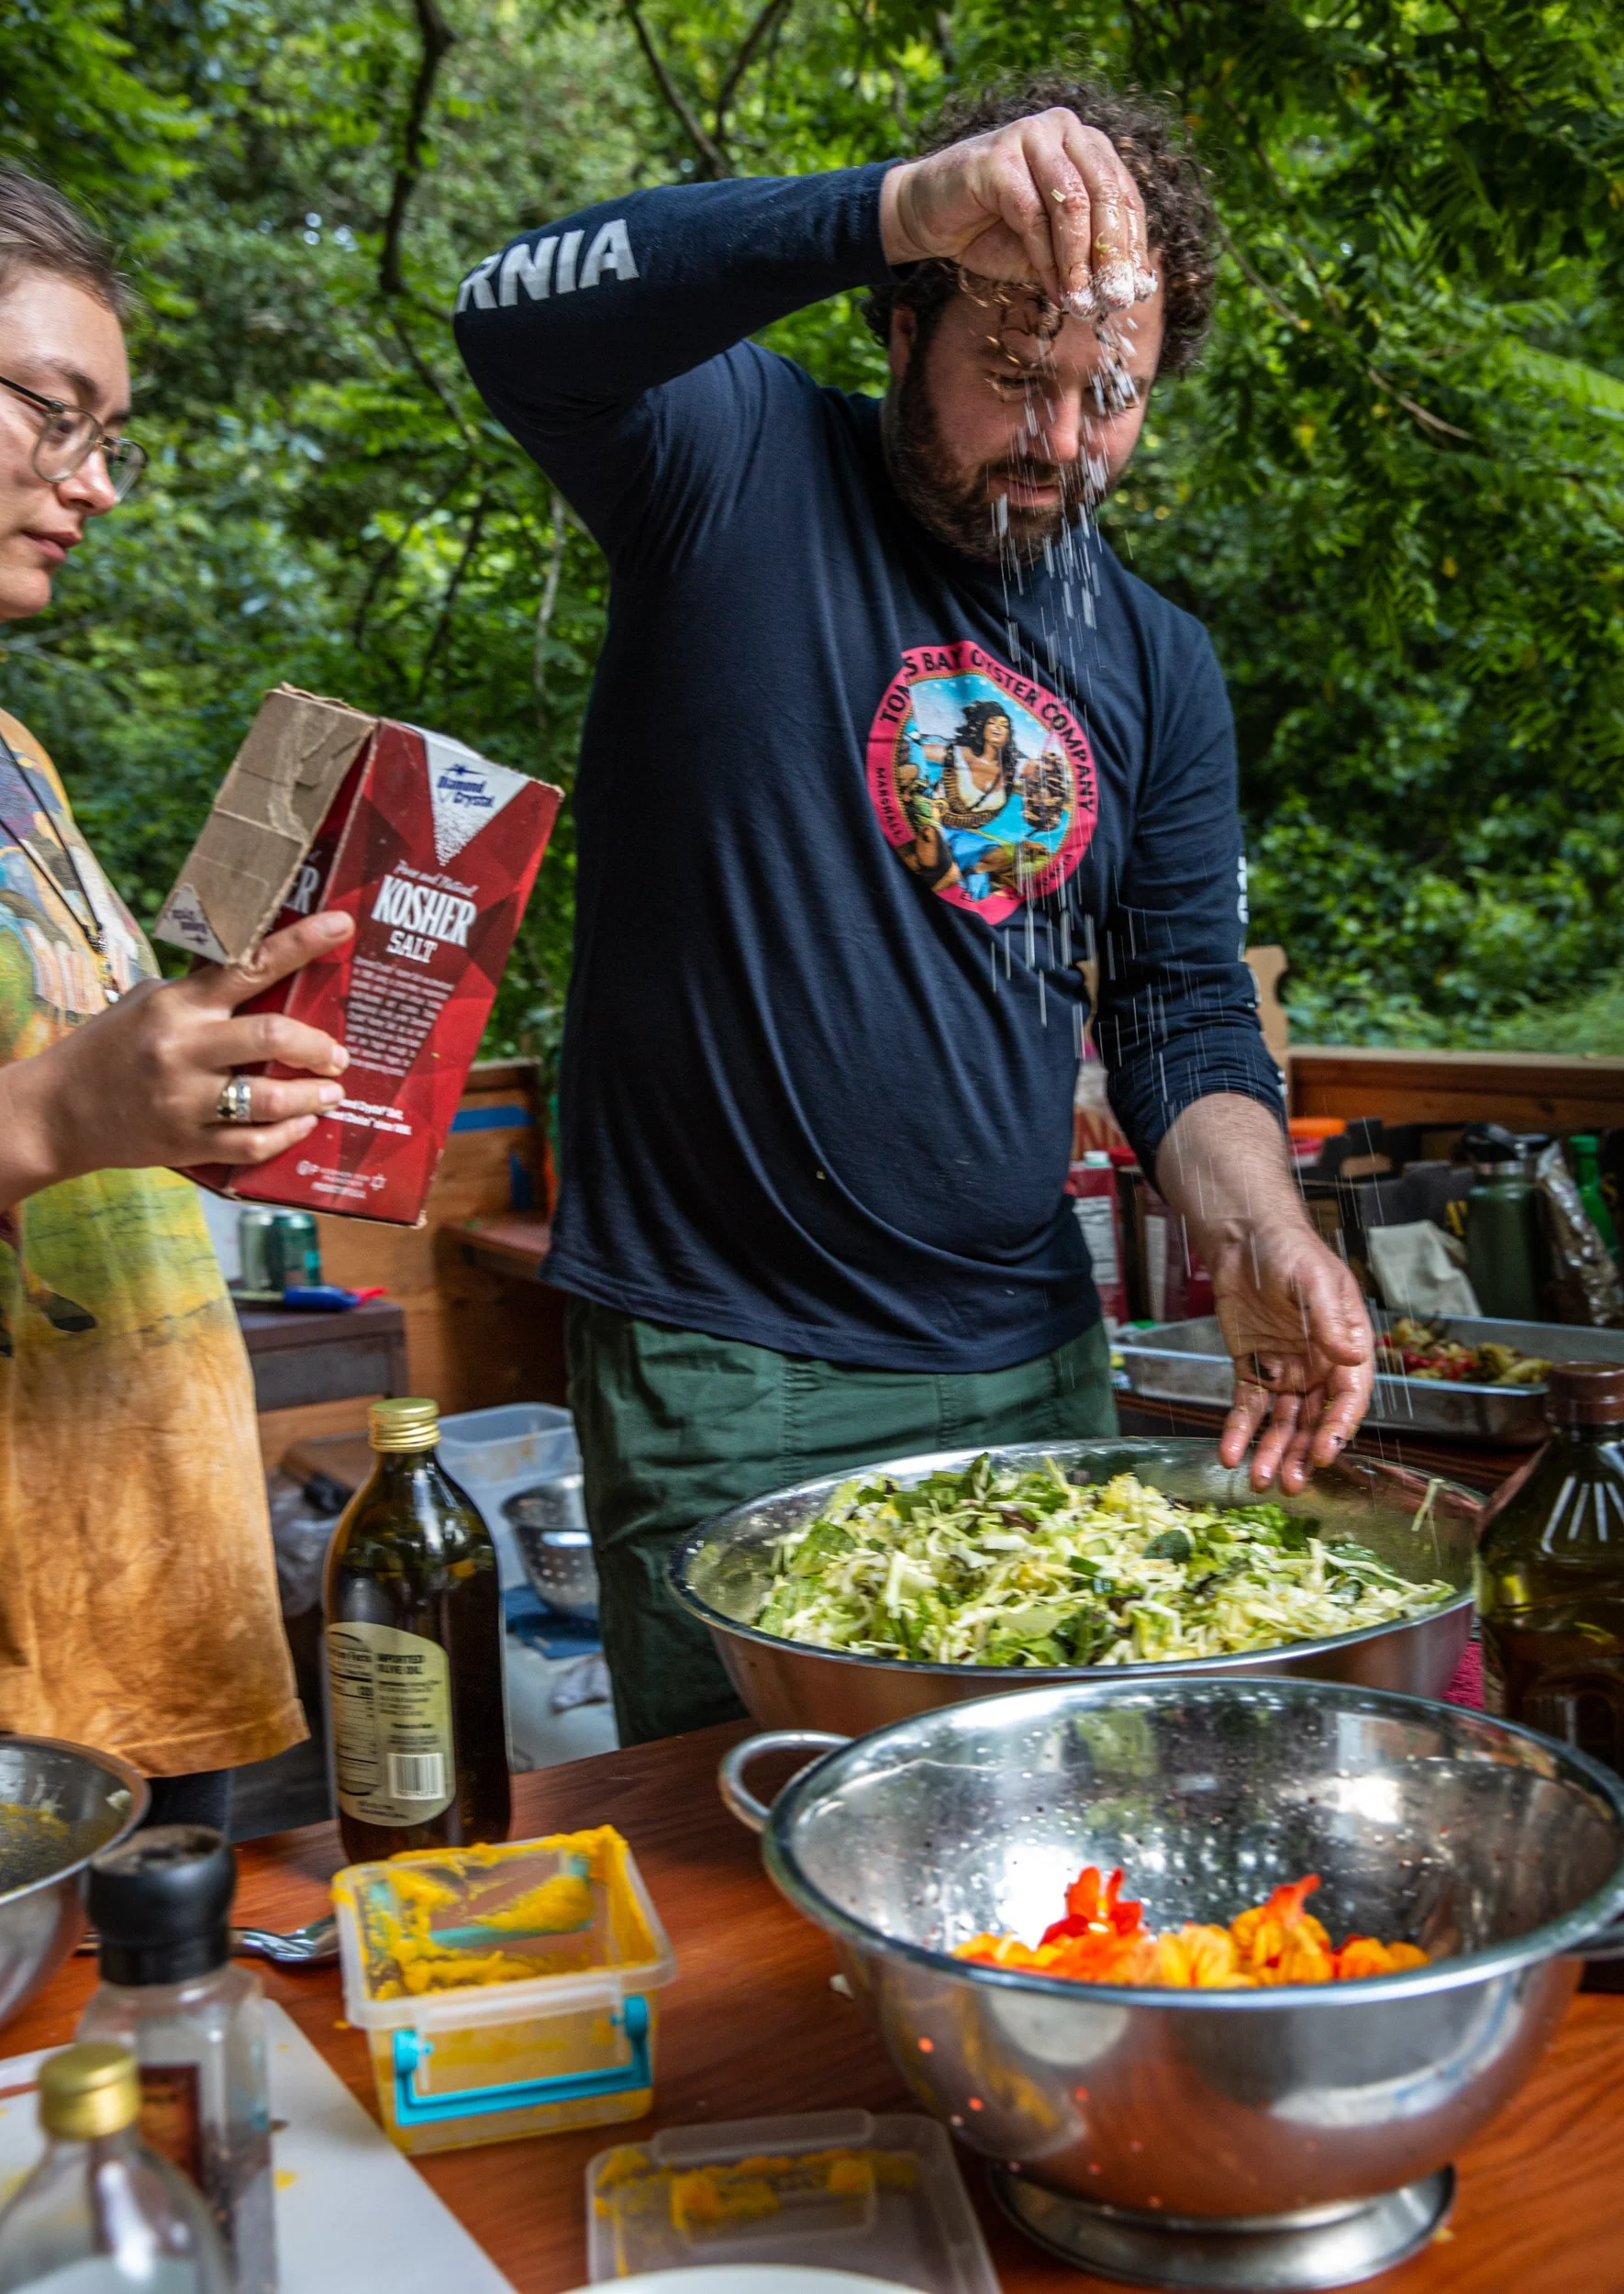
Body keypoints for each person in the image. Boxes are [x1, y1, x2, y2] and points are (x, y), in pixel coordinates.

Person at [455, 77, 1375, 1745]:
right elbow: (510, 315)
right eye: (1014, 378)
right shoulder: (731, 461)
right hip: (732, 1365)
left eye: (1111, 397)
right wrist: (893, 197)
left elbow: (1176, 1007)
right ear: (900, 325)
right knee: (761, 1866)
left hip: (1034, 1360)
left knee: (1065, 1811)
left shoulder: (1156, 661)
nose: (1059, 444)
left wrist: (1259, 1229)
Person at [0, 169, 355, 1827]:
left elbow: (78, 1126)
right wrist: (52, 1113)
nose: (97, 486)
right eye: (51, 415)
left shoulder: (16, 761)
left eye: (109, 435)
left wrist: (196, 1113)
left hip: (143, 1610)